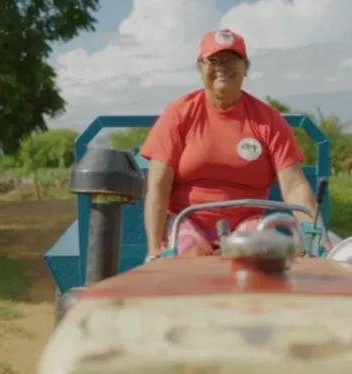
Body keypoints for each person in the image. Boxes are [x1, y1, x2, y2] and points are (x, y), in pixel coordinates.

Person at [139, 28, 325, 260]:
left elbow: (294, 187)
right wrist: (154, 249)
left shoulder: (269, 120)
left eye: (231, 60)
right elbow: (158, 186)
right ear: (200, 69)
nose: (222, 67)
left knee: (254, 258)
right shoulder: (179, 113)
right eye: (213, 60)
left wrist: (321, 243)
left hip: (246, 223)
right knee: (189, 256)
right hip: (188, 220)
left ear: (245, 68)